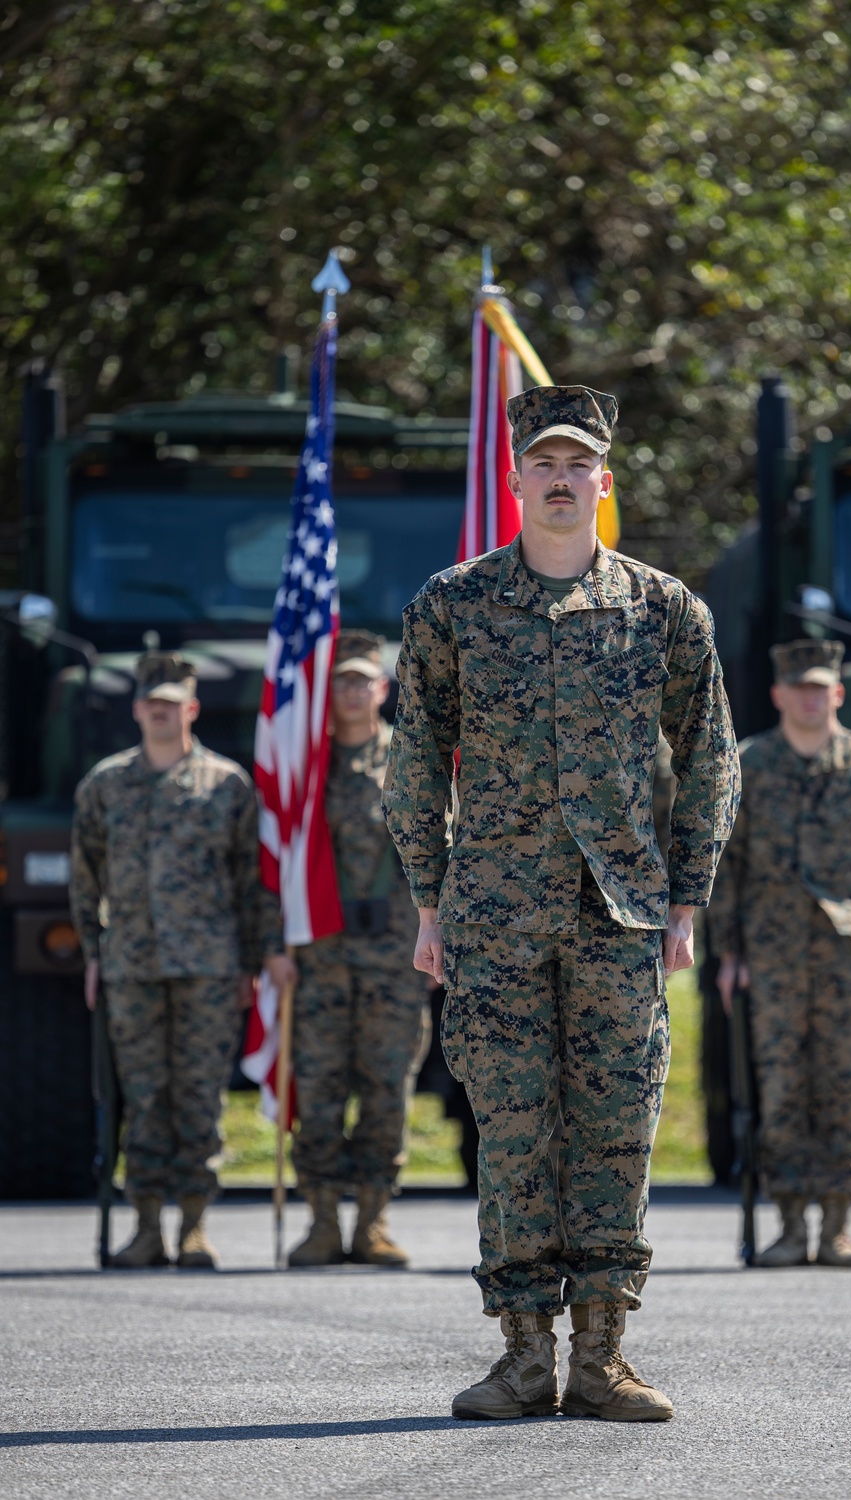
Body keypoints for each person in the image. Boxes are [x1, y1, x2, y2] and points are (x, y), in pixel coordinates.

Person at [382, 385, 740, 1423]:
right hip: (490, 914)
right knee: (512, 1129)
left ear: (603, 480)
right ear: (514, 478)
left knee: (617, 1132)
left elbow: (710, 756)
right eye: (541, 462)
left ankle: (603, 1357)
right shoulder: (451, 605)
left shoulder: (662, 608)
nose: (558, 478)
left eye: (576, 463)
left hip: (618, 914)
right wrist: (427, 899)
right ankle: (523, 1356)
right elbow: (412, 763)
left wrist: (686, 895)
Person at [710, 639, 851, 1269]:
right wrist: (728, 952)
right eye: (798, 688)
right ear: (779, 694)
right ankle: (788, 1225)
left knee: (844, 1088)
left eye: (821, 688)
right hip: (772, 956)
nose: (810, 698)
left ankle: (836, 1225)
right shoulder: (747, 767)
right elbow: (724, 866)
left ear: (837, 693)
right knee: (780, 1090)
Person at [70, 651, 259, 1269]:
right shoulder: (103, 785)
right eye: (152, 701)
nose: (160, 710)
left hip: (208, 966)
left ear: (192, 709)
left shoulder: (227, 784)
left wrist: (249, 962)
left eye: (172, 702)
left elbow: (249, 880)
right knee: (145, 1097)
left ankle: (195, 1227)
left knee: (200, 1096)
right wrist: (94, 952)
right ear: (136, 708)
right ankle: (147, 1225)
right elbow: (84, 878)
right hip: (131, 965)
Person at [263, 631, 429, 1269]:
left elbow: (442, 857)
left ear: (383, 690)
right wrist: (274, 946)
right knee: (323, 1089)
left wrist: (442, 939)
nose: (354, 691)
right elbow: (275, 866)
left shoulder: (411, 764)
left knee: (387, 1089)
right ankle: (323, 1222)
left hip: (393, 958)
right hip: (322, 958)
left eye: (364, 680)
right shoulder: (303, 774)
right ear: (326, 694)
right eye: (342, 682)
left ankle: (373, 1223)